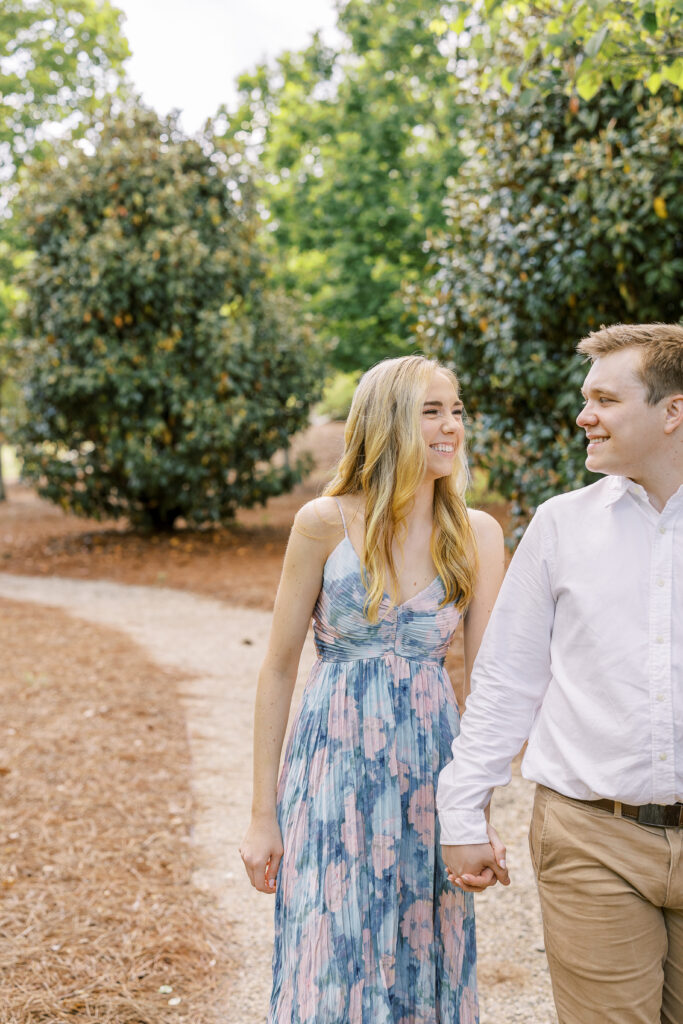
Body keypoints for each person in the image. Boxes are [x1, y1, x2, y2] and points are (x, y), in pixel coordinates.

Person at [240, 354, 507, 1023]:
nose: (450, 427)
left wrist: (476, 813)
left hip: (430, 776)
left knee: (425, 955)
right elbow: (276, 668)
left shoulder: (475, 534)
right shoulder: (323, 522)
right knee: (329, 956)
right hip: (331, 774)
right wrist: (260, 813)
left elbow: (489, 684)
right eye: (430, 411)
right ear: (387, 421)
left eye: (455, 410)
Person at [437, 323, 683, 1024]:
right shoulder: (559, 525)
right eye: (585, 399)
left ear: (671, 412)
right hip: (589, 834)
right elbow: (507, 680)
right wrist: (463, 809)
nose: (583, 416)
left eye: (604, 399)